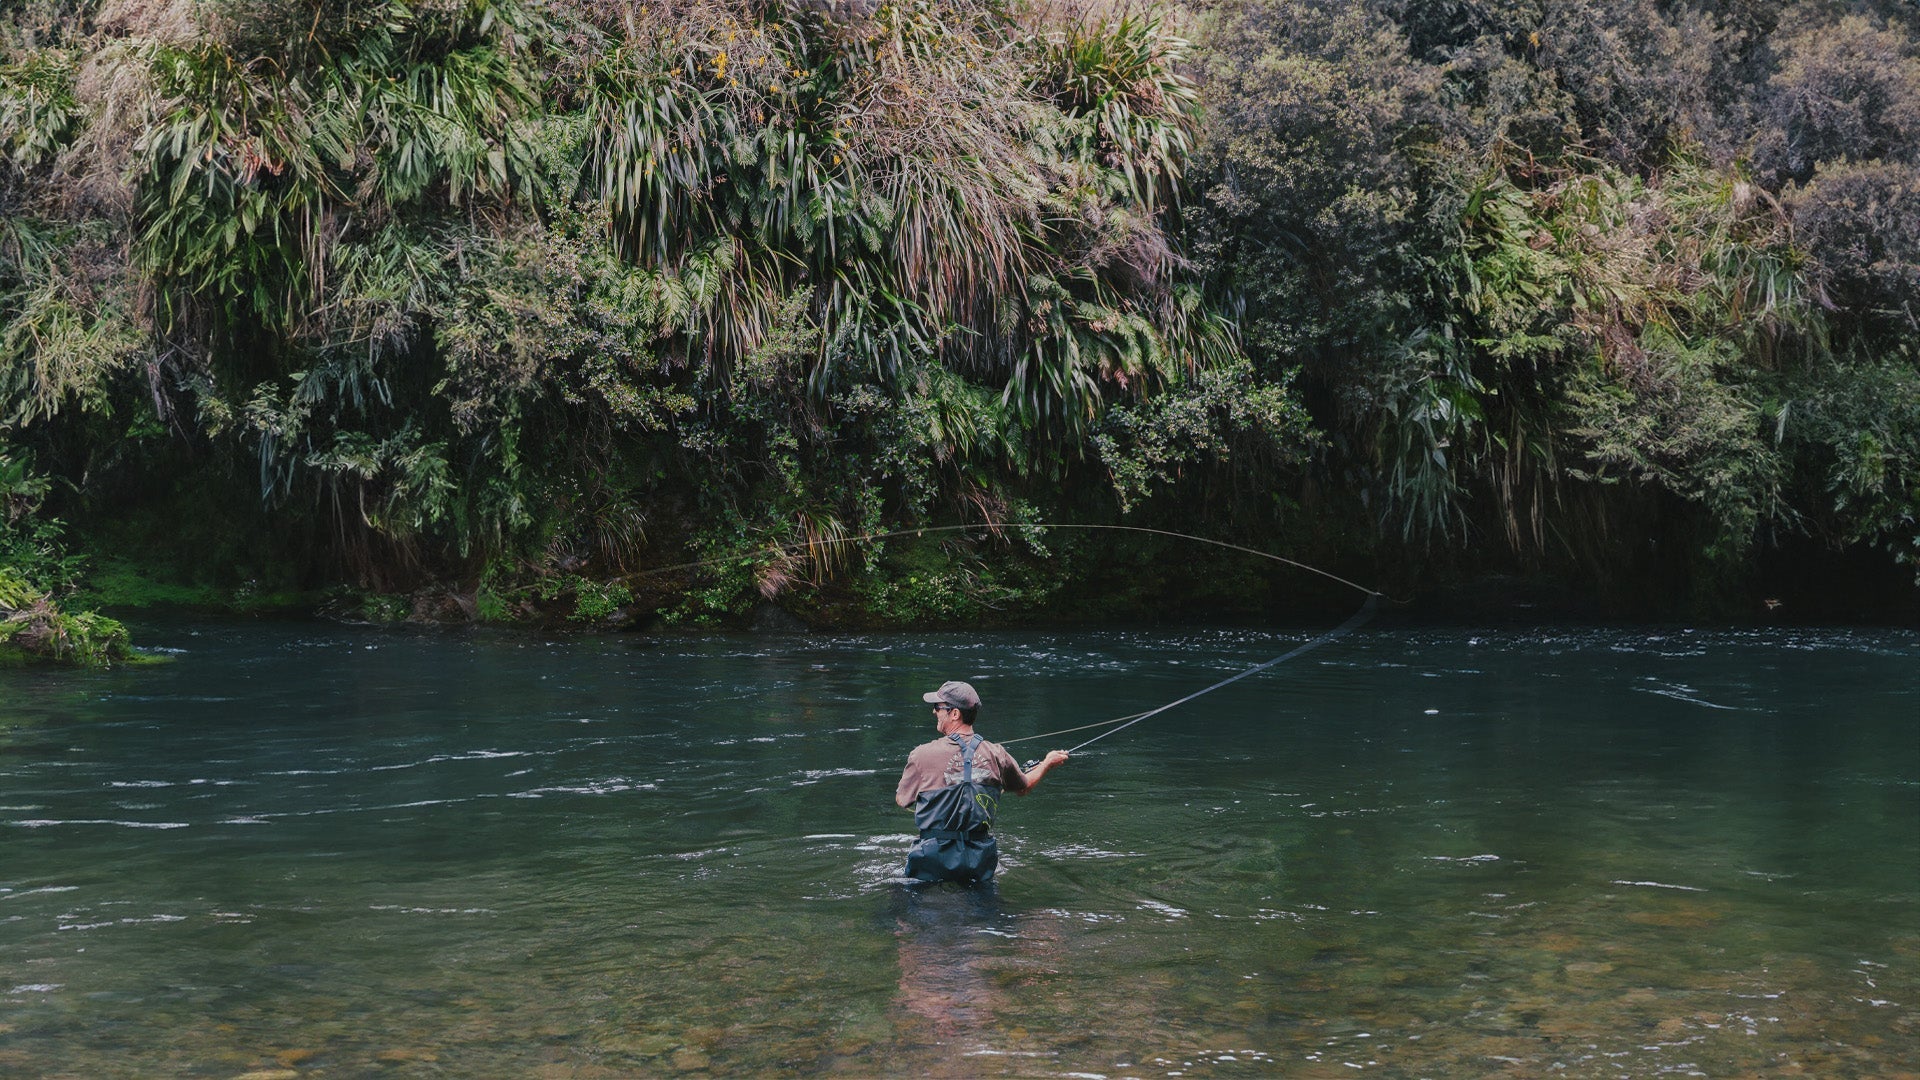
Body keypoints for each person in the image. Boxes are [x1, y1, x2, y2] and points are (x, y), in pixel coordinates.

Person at [894, 680, 1070, 885]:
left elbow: (902, 800)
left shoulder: (921, 755)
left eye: (938, 707)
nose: (934, 712)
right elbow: (1024, 787)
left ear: (955, 714)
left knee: (908, 914)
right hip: (978, 860)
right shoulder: (997, 754)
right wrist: (1047, 763)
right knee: (983, 914)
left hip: (932, 858)